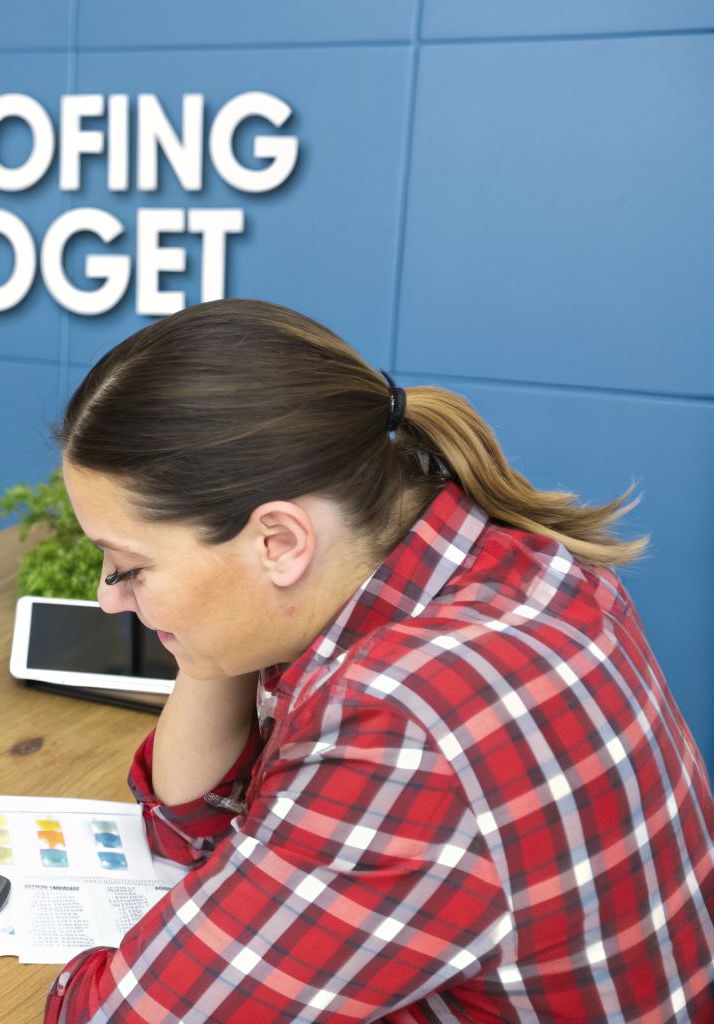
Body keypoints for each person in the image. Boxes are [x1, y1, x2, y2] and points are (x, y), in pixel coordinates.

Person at [44, 300, 714, 1022]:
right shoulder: (503, 563)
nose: (109, 599)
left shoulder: (404, 722)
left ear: (279, 542)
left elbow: (114, 1016)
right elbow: (190, 828)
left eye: (129, 566)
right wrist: (206, 636)